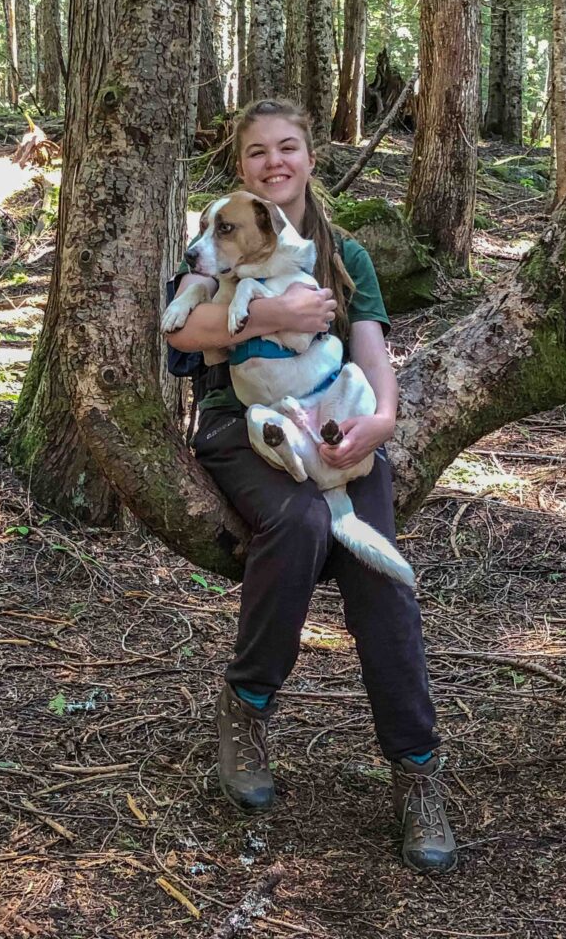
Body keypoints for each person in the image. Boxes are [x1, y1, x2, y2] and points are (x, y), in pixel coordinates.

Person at [165, 98, 457, 874]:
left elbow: (369, 350)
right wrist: (275, 316)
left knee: (377, 570)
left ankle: (418, 770)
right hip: (242, 422)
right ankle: (248, 704)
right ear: (242, 169)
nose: (274, 162)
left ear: (310, 157)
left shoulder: (345, 255)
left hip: (333, 415)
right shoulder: (223, 233)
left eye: (287, 147)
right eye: (257, 151)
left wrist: (382, 423)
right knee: (299, 525)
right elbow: (180, 331)